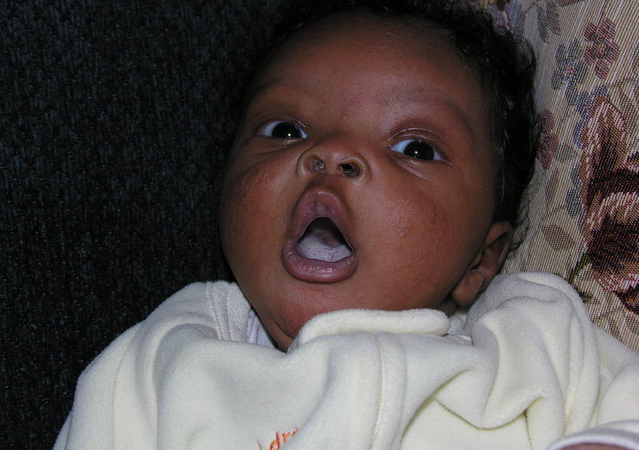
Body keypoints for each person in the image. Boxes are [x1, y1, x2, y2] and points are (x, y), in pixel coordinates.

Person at [54, 1, 639, 449]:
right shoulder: (162, 363)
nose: (332, 152)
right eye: (287, 130)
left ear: (482, 261)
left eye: (414, 147)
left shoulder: (535, 339)